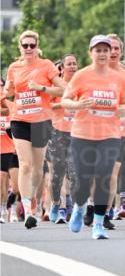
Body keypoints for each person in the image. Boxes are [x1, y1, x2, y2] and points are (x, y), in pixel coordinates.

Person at [59, 35, 125, 239]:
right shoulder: (81, 76)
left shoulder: (119, 78)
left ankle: (98, 224)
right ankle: (79, 207)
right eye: (98, 50)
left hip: (110, 135)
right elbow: (65, 100)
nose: (103, 54)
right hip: (82, 134)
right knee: (83, 183)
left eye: (106, 50)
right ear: (91, 53)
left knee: (104, 177)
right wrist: (78, 105)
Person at [4, 30, 65, 229]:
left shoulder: (46, 65)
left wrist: (42, 88)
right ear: (20, 47)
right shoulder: (14, 68)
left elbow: (63, 89)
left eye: (32, 45)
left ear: (37, 47)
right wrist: (8, 91)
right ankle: (27, 204)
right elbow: (11, 92)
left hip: (41, 121)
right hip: (19, 119)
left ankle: (34, 203)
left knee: (38, 168)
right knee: (25, 164)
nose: (28, 49)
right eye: (25, 45)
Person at [106, 34, 125, 223]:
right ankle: (94, 206)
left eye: (117, 48)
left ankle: (117, 208)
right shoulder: (92, 74)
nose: (114, 52)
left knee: (119, 171)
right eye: (111, 48)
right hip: (96, 130)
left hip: (122, 131)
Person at [47, 53, 78, 223]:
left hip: (77, 133)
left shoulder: (81, 85)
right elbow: (47, 105)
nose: (73, 66)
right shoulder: (57, 86)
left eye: (75, 63)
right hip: (58, 131)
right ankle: (56, 204)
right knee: (58, 173)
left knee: (73, 172)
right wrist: (63, 104)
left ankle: (69, 208)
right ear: (63, 67)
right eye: (69, 64)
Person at [0, 79, 19, 223]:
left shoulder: (11, 107)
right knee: (2, 179)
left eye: (1, 85)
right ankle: (2, 211)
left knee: (16, 188)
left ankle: (8, 206)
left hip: (11, 150)